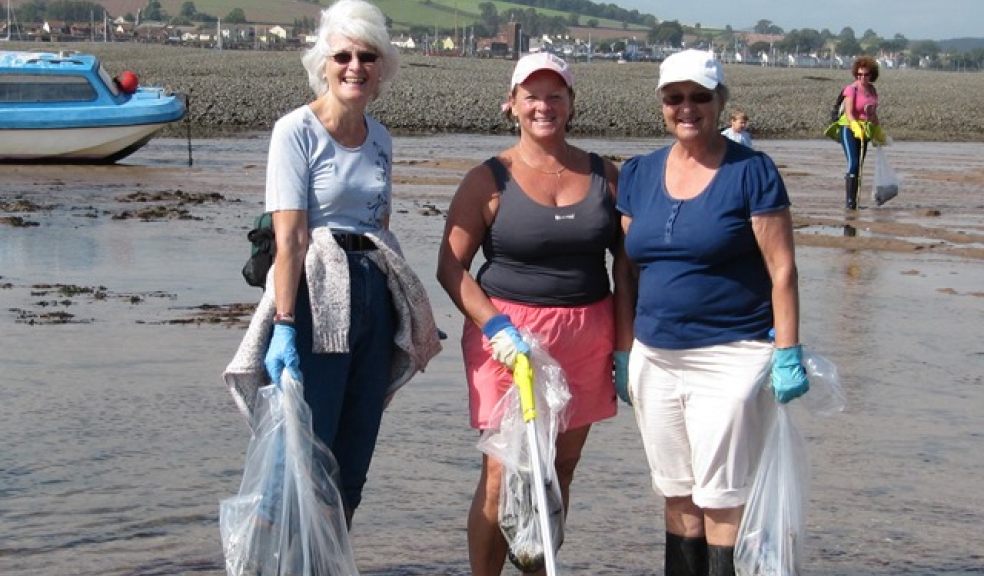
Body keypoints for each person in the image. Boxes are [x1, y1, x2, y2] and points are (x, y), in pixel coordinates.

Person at [224, 0, 441, 530]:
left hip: (374, 297)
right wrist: (282, 326)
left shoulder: (382, 138)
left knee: (354, 452)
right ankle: (268, 561)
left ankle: (331, 559)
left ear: (381, 66)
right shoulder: (294, 131)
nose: (355, 67)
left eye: (367, 56)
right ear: (324, 62)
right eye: (343, 54)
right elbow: (291, 235)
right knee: (301, 448)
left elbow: (380, 222)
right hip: (317, 299)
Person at [614, 49, 810, 576]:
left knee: (722, 495)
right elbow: (628, 271)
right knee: (676, 493)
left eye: (700, 96)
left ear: (720, 102)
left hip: (732, 356)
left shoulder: (753, 172)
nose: (687, 107)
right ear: (661, 103)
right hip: (655, 357)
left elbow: (783, 270)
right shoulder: (637, 173)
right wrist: (624, 349)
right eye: (675, 97)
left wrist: (788, 351)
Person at [436, 52, 623, 575]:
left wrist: (627, 347)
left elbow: (630, 268)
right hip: (508, 340)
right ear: (512, 104)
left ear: (571, 104)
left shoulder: (606, 176)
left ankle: (538, 568)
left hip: (587, 336)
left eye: (555, 95)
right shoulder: (488, 179)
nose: (544, 106)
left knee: (559, 470)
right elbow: (450, 267)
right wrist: (494, 326)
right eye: (532, 96)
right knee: (501, 475)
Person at [836, 55, 886, 210]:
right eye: (859, 74)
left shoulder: (872, 90)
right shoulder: (851, 89)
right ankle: (850, 203)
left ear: (872, 75)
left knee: (860, 166)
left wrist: (878, 132)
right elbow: (850, 113)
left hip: (865, 130)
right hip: (849, 129)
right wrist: (855, 127)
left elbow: (872, 114)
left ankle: (856, 200)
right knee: (853, 163)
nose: (862, 77)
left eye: (865, 74)